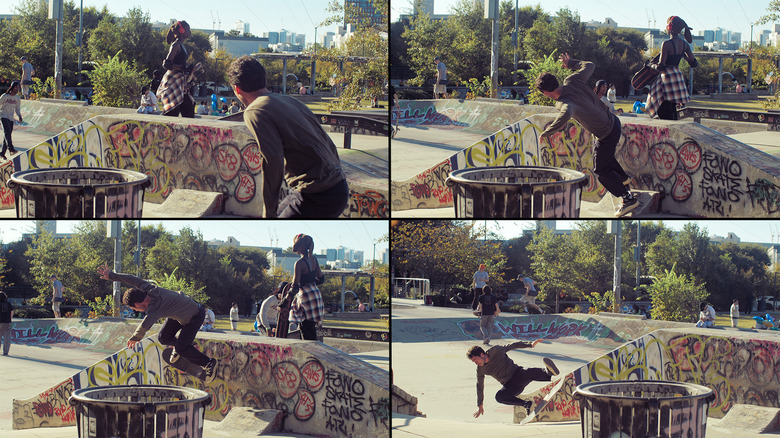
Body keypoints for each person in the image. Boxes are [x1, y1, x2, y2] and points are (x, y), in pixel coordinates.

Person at [227, 56, 348, 218]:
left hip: (318, 195)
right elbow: (327, 142)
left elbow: (273, 160)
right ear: (263, 79)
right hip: (337, 186)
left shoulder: (254, 111)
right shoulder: (290, 100)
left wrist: (268, 211)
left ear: (237, 89)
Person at [536, 53, 638, 216]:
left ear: (545, 92)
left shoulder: (564, 102)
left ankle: (628, 199)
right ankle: (623, 178)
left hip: (607, 133)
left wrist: (547, 133)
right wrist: (571, 63)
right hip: (613, 122)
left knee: (600, 171)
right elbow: (590, 65)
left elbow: (566, 113)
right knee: (603, 156)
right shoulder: (572, 80)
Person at [97, 263, 218, 382]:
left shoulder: (155, 310)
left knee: (182, 348)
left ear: (138, 304)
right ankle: (181, 345)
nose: (136, 311)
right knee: (163, 337)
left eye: (135, 309)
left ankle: (208, 363)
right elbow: (131, 279)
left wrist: (135, 338)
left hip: (195, 316)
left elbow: (145, 325)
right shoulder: (148, 288)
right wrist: (112, 275)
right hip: (178, 311)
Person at [468, 341, 559, 417]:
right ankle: (526, 404)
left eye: (476, 360)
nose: (476, 363)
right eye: (473, 362)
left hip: (517, 373)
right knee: (499, 396)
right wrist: (480, 405)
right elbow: (479, 386)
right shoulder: (480, 370)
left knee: (527, 371)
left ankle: (548, 372)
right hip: (510, 386)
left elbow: (512, 346)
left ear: (482, 354)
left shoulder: (496, 351)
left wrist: (530, 344)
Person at [646, 16, 698, 120]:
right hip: (677, 77)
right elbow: (694, 64)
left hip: (667, 77)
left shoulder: (666, 44)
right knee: (672, 107)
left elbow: (661, 67)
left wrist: (650, 65)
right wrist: (684, 56)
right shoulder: (685, 44)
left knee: (663, 107)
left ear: (669, 27)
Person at [287, 234, 325, 341]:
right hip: (316, 295)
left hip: (306, 296)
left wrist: (286, 299)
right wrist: (311, 282)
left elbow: (295, 286)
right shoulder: (314, 259)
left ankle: (311, 352)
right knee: (310, 327)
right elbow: (321, 278)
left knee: (305, 327)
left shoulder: (299, 263)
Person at [157, 20, 195, 118]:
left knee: (189, 109)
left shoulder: (182, 45)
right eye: (188, 29)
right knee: (172, 111)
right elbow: (166, 64)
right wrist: (182, 67)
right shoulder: (176, 45)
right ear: (182, 30)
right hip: (173, 81)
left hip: (180, 81)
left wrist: (188, 69)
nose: (190, 32)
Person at [0, 81, 22, 159]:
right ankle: (11, 149)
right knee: (7, 132)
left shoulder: (17, 98)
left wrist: (19, 116)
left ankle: (2, 153)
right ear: (12, 88)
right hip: (3, 115)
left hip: (11, 118)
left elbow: (17, 108)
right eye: (16, 88)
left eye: (18, 88)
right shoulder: (4, 96)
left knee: (7, 135)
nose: (17, 90)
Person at [0, 291, 13, 356]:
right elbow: (11, 313)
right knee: (7, 338)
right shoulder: (8, 304)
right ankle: (5, 352)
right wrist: (10, 319)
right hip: (7, 322)